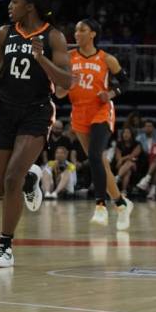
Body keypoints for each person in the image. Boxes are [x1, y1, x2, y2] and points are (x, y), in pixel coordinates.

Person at [0, 0, 73, 267]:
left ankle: (5, 244)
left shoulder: (54, 37)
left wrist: (41, 59)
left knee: (12, 177)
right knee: (0, 187)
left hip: (36, 111)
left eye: (15, 2)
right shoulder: (5, 32)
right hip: (5, 110)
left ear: (30, 6)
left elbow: (66, 81)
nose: (9, 6)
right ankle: (31, 178)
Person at [55, 19, 133, 230]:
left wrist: (111, 93)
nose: (77, 33)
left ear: (93, 34)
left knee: (95, 155)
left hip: (101, 111)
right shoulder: (68, 59)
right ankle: (121, 204)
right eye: (76, 29)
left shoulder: (106, 59)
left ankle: (100, 206)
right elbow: (59, 93)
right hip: (79, 113)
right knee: (100, 163)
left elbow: (126, 82)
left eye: (83, 30)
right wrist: (69, 82)